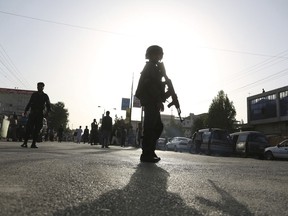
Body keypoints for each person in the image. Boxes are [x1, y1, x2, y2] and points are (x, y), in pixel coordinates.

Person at [135, 45, 167, 163]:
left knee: (157, 127)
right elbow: (150, 85)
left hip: (152, 100)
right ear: (152, 54)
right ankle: (146, 153)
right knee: (150, 127)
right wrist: (159, 100)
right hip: (150, 101)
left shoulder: (154, 67)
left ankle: (150, 150)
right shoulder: (150, 67)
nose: (160, 56)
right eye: (158, 54)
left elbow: (156, 85)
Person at [21, 82, 51, 148]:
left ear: (43, 87)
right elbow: (30, 103)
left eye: (41, 86)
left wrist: (47, 113)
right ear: (37, 87)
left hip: (40, 114)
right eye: (38, 86)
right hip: (33, 113)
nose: (39, 88)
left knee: (37, 129)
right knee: (28, 128)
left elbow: (48, 105)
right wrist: (26, 110)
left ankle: (33, 143)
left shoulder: (45, 96)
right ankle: (25, 143)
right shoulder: (34, 94)